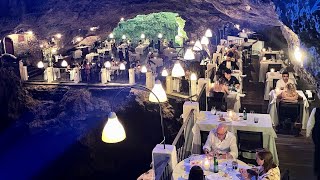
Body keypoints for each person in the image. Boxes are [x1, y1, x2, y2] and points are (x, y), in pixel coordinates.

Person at [307, 108, 320, 179]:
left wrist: (308, 133)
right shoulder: (316, 110)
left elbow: (310, 124)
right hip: (318, 134)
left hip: (318, 134)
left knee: (318, 152)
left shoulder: (316, 110)